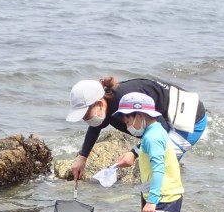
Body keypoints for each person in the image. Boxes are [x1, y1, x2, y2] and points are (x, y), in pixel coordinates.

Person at [67, 75, 210, 182]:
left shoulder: (127, 101)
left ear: (98, 103)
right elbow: (95, 127)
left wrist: (134, 153)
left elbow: (161, 130)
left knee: (158, 165)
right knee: (149, 165)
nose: (85, 119)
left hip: (189, 120)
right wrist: (82, 157)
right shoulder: (105, 104)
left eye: (86, 114)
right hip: (165, 120)